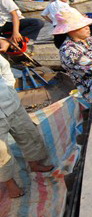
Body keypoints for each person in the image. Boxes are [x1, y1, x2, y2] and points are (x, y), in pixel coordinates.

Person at [0, 38, 53, 198]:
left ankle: (34, 163)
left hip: (12, 105)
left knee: (28, 134)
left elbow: (5, 69)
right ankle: (10, 183)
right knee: (1, 154)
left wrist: (10, 89)